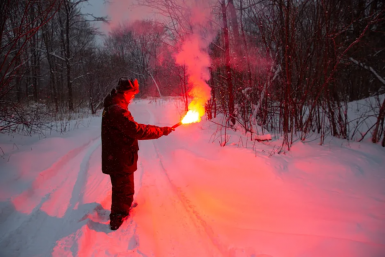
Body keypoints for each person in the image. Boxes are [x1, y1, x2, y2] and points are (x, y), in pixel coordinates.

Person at [101, 77, 174, 230]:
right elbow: (136, 130)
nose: (133, 97)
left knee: (125, 187)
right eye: (132, 94)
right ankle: (117, 217)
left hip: (120, 155)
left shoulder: (116, 106)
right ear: (126, 93)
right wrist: (161, 130)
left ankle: (124, 207)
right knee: (122, 187)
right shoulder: (117, 110)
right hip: (118, 157)